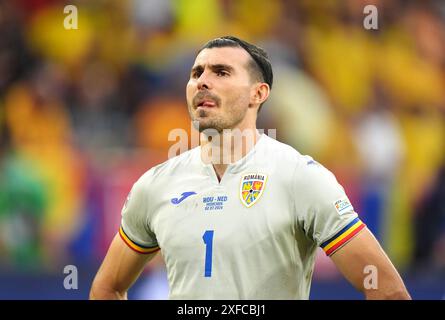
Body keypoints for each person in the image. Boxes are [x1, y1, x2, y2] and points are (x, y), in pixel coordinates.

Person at [90, 36, 411, 300]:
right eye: (196, 73)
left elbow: (388, 291)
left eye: (221, 72)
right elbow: (107, 287)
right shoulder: (155, 186)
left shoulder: (300, 178)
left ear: (258, 94)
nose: (202, 81)